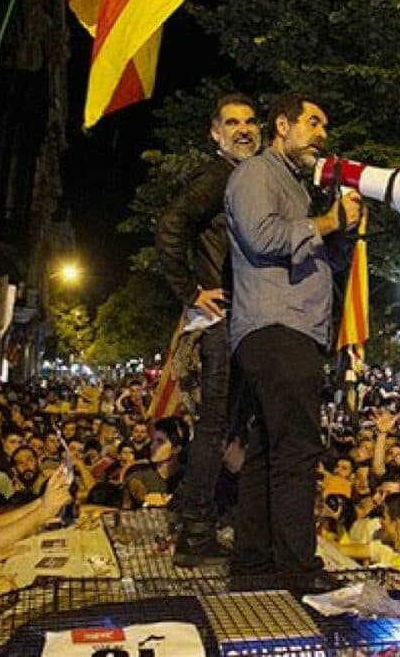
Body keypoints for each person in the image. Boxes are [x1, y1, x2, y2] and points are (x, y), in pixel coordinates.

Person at [225, 92, 361, 575]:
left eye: (324, 126)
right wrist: (326, 221)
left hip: (290, 331)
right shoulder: (256, 174)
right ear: (282, 125)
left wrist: (344, 230)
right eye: (313, 123)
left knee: (267, 450)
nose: (321, 135)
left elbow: (321, 259)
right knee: (298, 450)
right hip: (278, 328)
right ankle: (297, 567)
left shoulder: (297, 189)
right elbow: (262, 237)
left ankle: (253, 559)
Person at [156, 93, 260, 566]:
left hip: (240, 321)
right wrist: (191, 290)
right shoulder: (217, 176)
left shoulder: (244, 180)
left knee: (226, 426)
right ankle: (195, 531)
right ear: (215, 133)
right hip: (221, 322)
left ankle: (195, 512)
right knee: (216, 427)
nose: (244, 129)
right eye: (232, 122)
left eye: (250, 121)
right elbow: (171, 223)